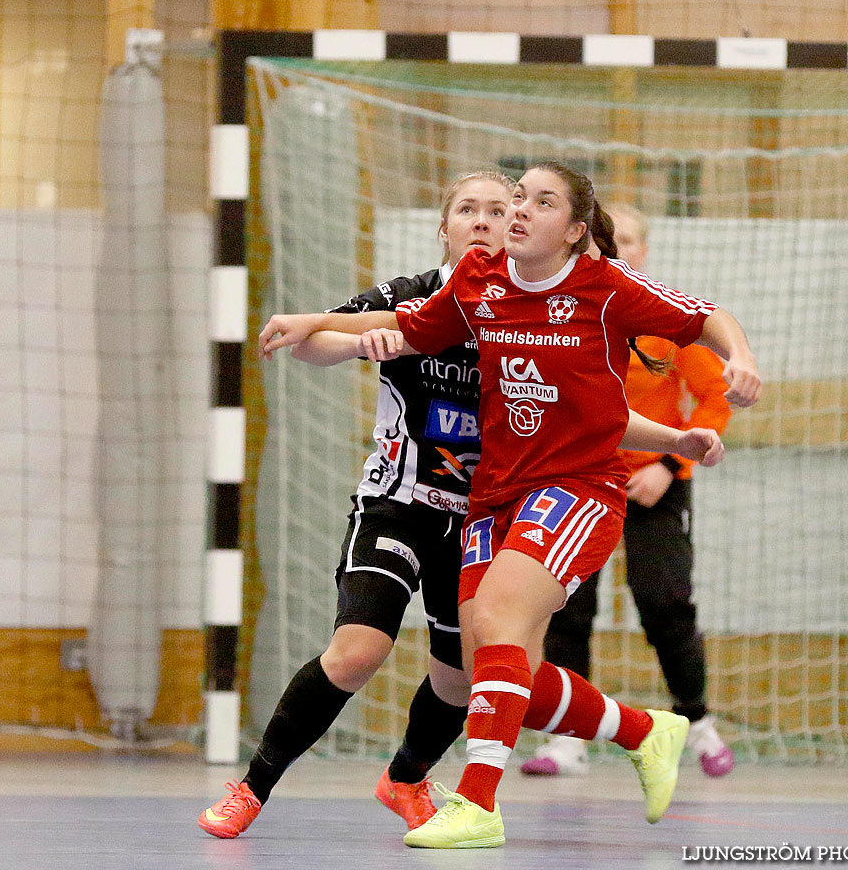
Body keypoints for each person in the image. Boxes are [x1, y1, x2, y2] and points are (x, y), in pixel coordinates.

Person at [266, 161, 761, 848]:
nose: (518, 210)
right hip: (494, 496)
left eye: (540, 201)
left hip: (577, 490)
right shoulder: (479, 284)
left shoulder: (605, 287)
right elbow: (408, 323)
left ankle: (476, 803)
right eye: (517, 198)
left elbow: (706, 318)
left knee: (500, 616)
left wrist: (738, 358)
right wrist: (322, 324)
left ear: (574, 230)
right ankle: (647, 731)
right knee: (497, 674)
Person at [198, 171, 515, 839]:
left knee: (459, 679)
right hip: (396, 504)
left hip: (478, 520)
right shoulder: (409, 296)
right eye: (467, 209)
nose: (481, 220)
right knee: (356, 652)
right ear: (445, 226)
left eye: (495, 210)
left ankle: (404, 778)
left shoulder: (527, 313)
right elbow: (313, 341)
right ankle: (252, 788)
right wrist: (357, 343)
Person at [521, 204, 735, 781]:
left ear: (644, 251)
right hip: (579, 481)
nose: (619, 249)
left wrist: (668, 463)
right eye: (607, 241)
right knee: (566, 608)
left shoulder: (663, 318)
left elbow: (713, 399)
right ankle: (567, 741)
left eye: (632, 240)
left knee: (666, 603)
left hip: (652, 487)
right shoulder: (565, 316)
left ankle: (697, 722)